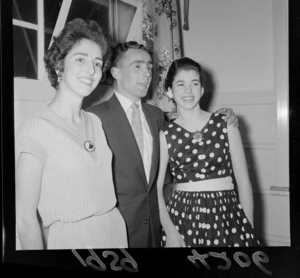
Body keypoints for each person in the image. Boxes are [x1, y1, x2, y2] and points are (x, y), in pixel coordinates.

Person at [87, 42, 239, 248]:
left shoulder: (156, 116)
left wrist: (224, 116)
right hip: (117, 233)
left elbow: (189, 124)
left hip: (158, 232)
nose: (147, 74)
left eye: (149, 68)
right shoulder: (94, 117)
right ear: (116, 72)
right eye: (138, 67)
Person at [15, 18, 128, 250]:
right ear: (59, 65)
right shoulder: (36, 130)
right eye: (80, 60)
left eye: (97, 63)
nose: (91, 70)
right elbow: (25, 219)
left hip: (114, 234)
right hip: (72, 242)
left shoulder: (95, 122)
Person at [157, 57, 260, 247]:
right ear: (169, 91)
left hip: (227, 216)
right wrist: (170, 232)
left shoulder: (226, 125)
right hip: (183, 218)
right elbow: (156, 190)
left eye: (194, 84)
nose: (188, 91)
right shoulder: (166, 135)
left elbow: (244, 181)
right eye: (180, 84)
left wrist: (248, 227)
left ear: (202, 89)